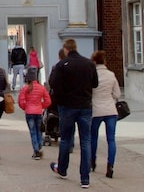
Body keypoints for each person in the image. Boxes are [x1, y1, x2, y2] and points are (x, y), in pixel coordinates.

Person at [49, 38, 98, 188]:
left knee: (65, 139)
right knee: (85, 141)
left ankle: (62, 169)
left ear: (65, 49)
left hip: (68, 106)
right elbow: (95, 83)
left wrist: (61, 99)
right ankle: (85, 178)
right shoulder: (89, 64)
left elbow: (54, 84)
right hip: (85, 106)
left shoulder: (62, 65)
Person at [90, 50, 122, 178]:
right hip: (110, 110)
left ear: (94, 61)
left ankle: (93, 161)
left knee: (93, 137)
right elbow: (117, 94)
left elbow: (89, 92)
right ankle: (110, 165)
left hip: (96, 110)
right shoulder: (111, 75)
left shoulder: (92, 75)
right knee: (111, 139)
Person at [18, 66, 52, 159]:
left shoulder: (25, 89)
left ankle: (36, 151)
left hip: (29, 112)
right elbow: (48, 101)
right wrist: (41, 105)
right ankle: (39, 145)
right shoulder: (41, 88)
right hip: (38, 111)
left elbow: (21, 101)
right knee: (39, 130)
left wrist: (26, 107)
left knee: (33, 132)